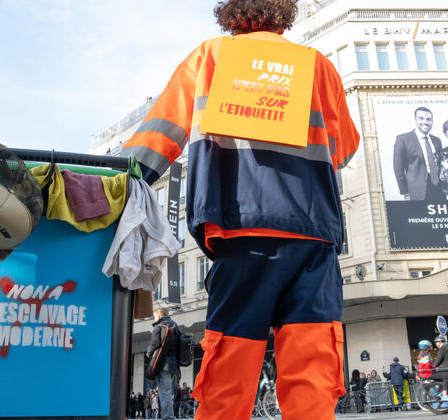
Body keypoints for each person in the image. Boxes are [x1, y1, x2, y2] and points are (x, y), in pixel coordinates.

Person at [120, 1, 360, 419]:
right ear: (285, 13)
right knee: (312, 369)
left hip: (240, 232)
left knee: (231, 362)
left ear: (231, 13)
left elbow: (156, 137)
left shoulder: (210, 57)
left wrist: (111, 183)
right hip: (312, 234)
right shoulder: (317, 65)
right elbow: (344, 148)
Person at [393, 106, 445, 201]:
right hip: (417, 192)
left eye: (428, 119)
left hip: (439, 189)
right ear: (415, 120)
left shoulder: (437, 140)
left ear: (432, 121)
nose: (425, 122)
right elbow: (398, 169)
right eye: (421, 118)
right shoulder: (403, 139)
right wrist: (405, 193)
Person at [146, 308, 180, 420]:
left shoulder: (159, 326)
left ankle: (168, 417)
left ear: (159, 316)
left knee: (164, 392)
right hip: (174, 366)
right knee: (169, 393)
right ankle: (170, 415)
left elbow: (155, 343)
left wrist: (149, 352)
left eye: (154, 316)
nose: (154, 319)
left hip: (163, 365)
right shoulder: (175, 326)